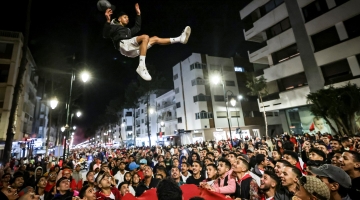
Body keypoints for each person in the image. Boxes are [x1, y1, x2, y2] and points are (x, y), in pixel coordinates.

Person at [103, 4, 191, 81]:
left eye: (128, 17)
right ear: (119, 19)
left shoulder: (128, 31)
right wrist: (107, 20)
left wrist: (138, 14)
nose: (127, 19)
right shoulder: (114, 27)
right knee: (145, 37)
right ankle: (141, 66)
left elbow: (137, 27)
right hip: (123, 45)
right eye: (125, 17)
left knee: (155, 39)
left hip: (132, 51)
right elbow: (105, 34)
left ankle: (180, 39)